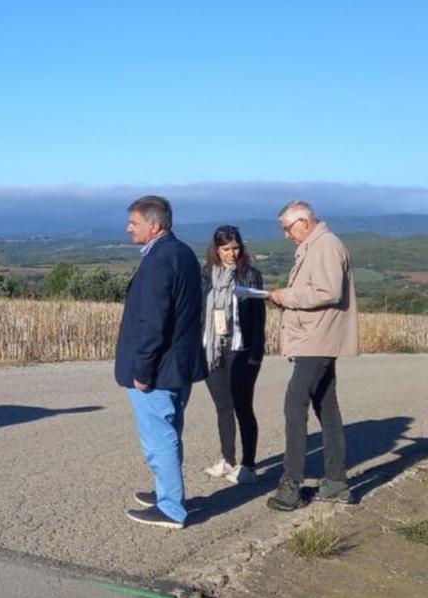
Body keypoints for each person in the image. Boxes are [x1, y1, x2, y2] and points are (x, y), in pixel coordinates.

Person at [115, 195, 208, 529]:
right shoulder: (182, 253)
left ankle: (170, 508)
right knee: (169, 432)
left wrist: (142, 368)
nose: (128, 228)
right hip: (178, 364)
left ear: (154, 225)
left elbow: (152, 322)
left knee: (159, 438)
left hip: (159, 367)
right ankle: (168, 493)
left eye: (134, 222)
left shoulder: (158, 260)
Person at [265, 200, 359, 511]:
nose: (287, 235)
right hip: (318, 338)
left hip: (316, 340)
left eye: (287, 228)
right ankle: (335, 481)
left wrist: (285, 297)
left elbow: (327, 291)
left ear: (303, 222)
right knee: (327, 410)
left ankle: (292, 485)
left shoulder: (325, 245)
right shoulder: (319, 245)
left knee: (295, 405)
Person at [200, 225, 266, 485]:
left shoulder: (250, 275)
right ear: (216, 250)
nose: (232, 253)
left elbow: (258, 317)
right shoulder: (205, 275)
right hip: (212, 351)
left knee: (243, 407)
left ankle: (249, 465)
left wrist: (257, 352)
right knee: (223, 408)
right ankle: (227, 460)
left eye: (236, 248)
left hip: (242, 349)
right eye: (226, 249)